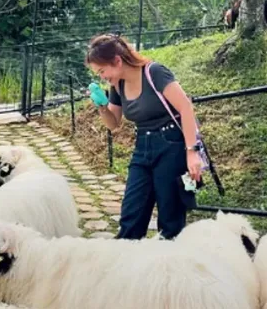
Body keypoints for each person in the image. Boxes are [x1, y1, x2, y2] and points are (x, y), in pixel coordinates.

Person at [85, 33, 203, 240]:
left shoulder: (154, 73)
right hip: (142, 148)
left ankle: (171, 267)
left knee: (170, 220)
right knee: (131, 216)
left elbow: (185, 107)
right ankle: (128, 266)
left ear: (117, 61)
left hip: (171, 146)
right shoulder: (117, 84)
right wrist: (102, 106)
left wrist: (192, 152)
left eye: (102, 71)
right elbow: (114, 124)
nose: (102, 77)